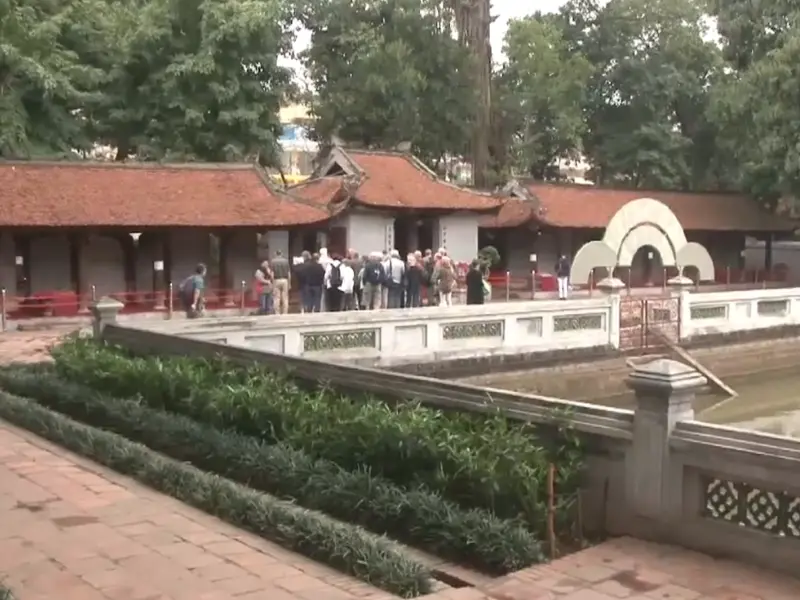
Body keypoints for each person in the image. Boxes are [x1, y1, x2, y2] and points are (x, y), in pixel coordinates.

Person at [270, 250, 291, 315]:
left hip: (276, 280)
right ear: (281, 254)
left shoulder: (273, 261)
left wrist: (272, 282)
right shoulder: (286, 261)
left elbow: (272, 273)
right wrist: (289, 283)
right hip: (285, 280)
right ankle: (285, 312)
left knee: (276, 297)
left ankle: (277, 312)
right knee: (285, 297)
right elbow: (289, 273)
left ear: (275, 254)